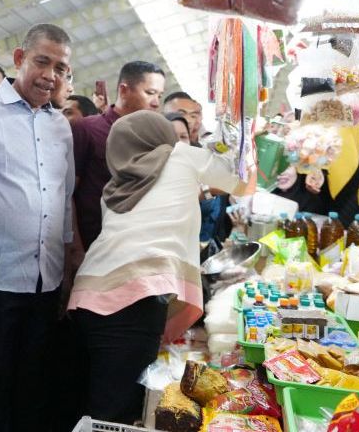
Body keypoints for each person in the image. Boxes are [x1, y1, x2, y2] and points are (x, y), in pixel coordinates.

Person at [68, 111, 238, 423]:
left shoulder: (115, 189)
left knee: (95, 401)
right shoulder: (182, 157)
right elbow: (240, 182)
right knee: (116, 412)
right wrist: (232, 140)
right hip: (134, 301)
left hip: (87, 299)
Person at [0, 23, 74, 432]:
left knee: (32, 382)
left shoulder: (60, 125)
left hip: (45, 279)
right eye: (42, 62)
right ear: (18, 59)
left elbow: (64, 198)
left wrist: (67, 268)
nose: (50, 75)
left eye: (61, 68)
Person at [71, 60, 165, 251]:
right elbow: (68, 195)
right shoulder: (87, 129)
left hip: (137, 246)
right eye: (150, 93)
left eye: (160, 95)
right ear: (123, 90)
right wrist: (75, 250)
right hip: (94, 246)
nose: (156, 102)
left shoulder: (153, 140)